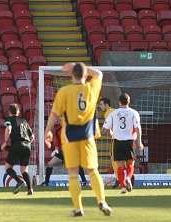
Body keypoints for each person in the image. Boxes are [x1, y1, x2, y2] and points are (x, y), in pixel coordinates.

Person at [45, 62, 112, 217]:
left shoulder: (64, 91)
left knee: (73, 173)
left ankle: (78, 208)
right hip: (88, 136)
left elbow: (54, 114)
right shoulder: (91, 88)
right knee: (93, 171)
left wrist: (48, 131)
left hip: (70, 138)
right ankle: (102, 200)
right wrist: (78, 67)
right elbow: (99, 74)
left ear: (71, 75)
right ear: (86, 75)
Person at [103, 93, 144, 194]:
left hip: (117, 142)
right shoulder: (134, 113)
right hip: (129, 142)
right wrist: (139, 142)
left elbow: (106, 128)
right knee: (130, 164)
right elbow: (138, 128)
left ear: (119, 102)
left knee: (119, 165)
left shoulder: (113, 113)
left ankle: (123, 187)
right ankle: (129, 178)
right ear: (129, 101)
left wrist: (112, 134)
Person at [40, 121, 87, 187]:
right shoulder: (58, 130)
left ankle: (84, 181)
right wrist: (56, 149)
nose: (60, 120)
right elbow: (57, 142)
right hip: (63, 152)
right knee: (50, 164)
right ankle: (46, 182)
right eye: (60, 118)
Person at [1, 104, 35, 195]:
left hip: (17, 144)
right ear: (18, 112)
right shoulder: (24, 121)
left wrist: (5, 142)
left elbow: (8, 128)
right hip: (27, 145)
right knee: (24, 170)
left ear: (9, 112)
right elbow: (32, 136)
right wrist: (27, 144)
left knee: (8, 168)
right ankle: (30, 189)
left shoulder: (9, 120)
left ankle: (19, 181)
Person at [99, 98, 120, 188]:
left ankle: (119, 179)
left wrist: (98, 133)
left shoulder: (107, 113)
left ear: (107, 105)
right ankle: (126, 177)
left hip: (116, 139)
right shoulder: (115, 111)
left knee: (113, 159)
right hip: (125, 138)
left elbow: (106, 127)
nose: (100, 107)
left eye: (101, 104)